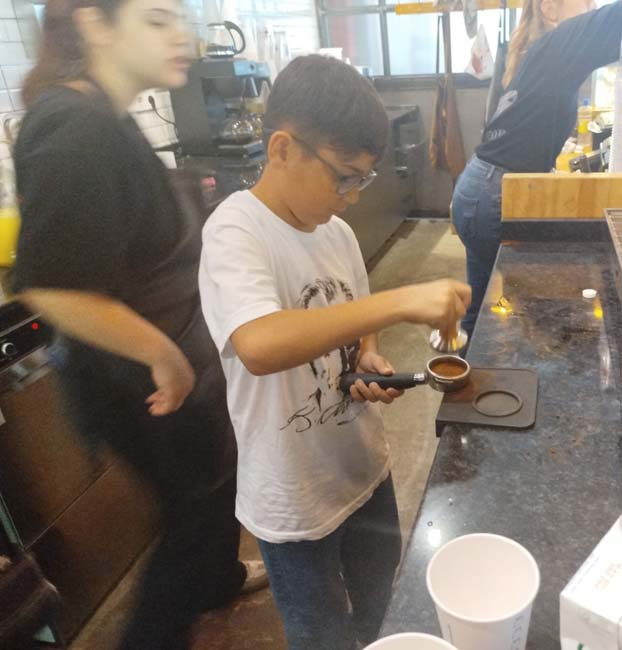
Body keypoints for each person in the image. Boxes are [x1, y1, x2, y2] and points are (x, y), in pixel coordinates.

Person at [11, 0, 266, 648]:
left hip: (162, 361)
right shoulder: (73, 127)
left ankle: (219, 580)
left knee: (216, 485)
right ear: (93, 23)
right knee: (193, 517)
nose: (180, 35)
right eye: (156, 18)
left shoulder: (107, 114)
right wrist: (163, 354)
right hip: (134, 380)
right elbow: (53, 287)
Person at [199, 54, 472, 650]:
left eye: (362, 180)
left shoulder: (337, 232)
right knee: (319, 631)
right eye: (344, 176)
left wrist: (367, 355)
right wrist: (401, 302)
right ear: (282, 149)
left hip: (363, 468)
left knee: (382, 604)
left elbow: (355, 312)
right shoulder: (235, 231)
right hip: (294, 499)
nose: (350, 197)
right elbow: (259, 344)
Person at [452, 0, 622, 338]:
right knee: (528, 309)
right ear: (549, 8)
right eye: (584, 1)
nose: (591, 6)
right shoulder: (560, 42)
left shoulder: (541, 51)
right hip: (495, 192)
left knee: (481, 306)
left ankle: (466, 365)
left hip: (478, 185)